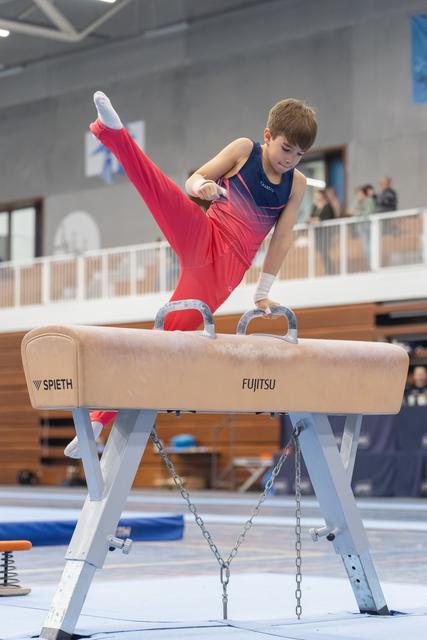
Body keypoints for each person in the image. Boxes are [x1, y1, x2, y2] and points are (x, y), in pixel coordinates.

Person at [65, 91, 317, 458]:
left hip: (223, 271)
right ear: (267, 136)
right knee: (159, 191)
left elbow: (281, 240)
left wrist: (262, 292)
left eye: (299, 154)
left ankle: (99, 420)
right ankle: (114, 133)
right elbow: (193, 180)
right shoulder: (243, 150)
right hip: (204, 235)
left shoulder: (295, 185)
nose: (290, 159)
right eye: (286, 148)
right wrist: (203, 188)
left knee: (166, 336)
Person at [308, 189, 336, 275]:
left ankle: (330, 270)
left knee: (325, 251)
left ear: (322, 195)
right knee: (322, 252)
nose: (316, 197)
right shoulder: (315, 206)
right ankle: (328, 270)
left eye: (317, 195)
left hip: (326, 233)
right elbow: (311, 216)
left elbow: (329, 218)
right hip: (318, 234)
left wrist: (318, 220)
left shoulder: (327, 206)